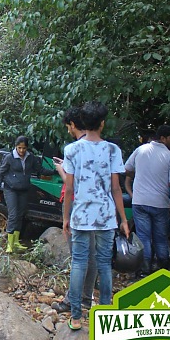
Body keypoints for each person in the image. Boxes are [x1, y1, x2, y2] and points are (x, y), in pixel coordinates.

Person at [62, 101, 129, 331]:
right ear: (102, 123)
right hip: (106, 216)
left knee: (79, 263)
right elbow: (116, 189)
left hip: (81, 214)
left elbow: (69, 189)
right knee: (103, 264)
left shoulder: (72, 150)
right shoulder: (112, 150)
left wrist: (65, 217)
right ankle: (106, 312)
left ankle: (76, 316)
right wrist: (124, 219)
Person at [53, 106, 96, 313]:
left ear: (72, 125)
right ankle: (87, 298)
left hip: (78, 206)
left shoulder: (74, 149)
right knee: (92, 255)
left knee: (78, 256)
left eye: (68, 126)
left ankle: (72, 300)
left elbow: (71, 186)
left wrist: (61, 169)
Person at [124, 124, 170, 275]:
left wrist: (139, 175)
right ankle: (162, 269)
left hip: (140, 201)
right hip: (160, 203)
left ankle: (144, 270)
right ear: (163, 138)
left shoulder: (140, 150)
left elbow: (127, 169)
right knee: (160, 238)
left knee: (144, 237)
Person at [0, 136, 57, 253]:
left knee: (20, 215)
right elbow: (0, 174)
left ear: (27, 148)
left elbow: (40, 170)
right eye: (19, 148)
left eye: (24, 148)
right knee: (13, 215)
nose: (21, 151)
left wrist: (56, 171)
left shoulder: (30, 158)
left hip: (24, 189)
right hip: (10, 189)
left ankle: (16, 242)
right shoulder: (9, 158)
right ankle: (9, 244)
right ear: (15, 147)